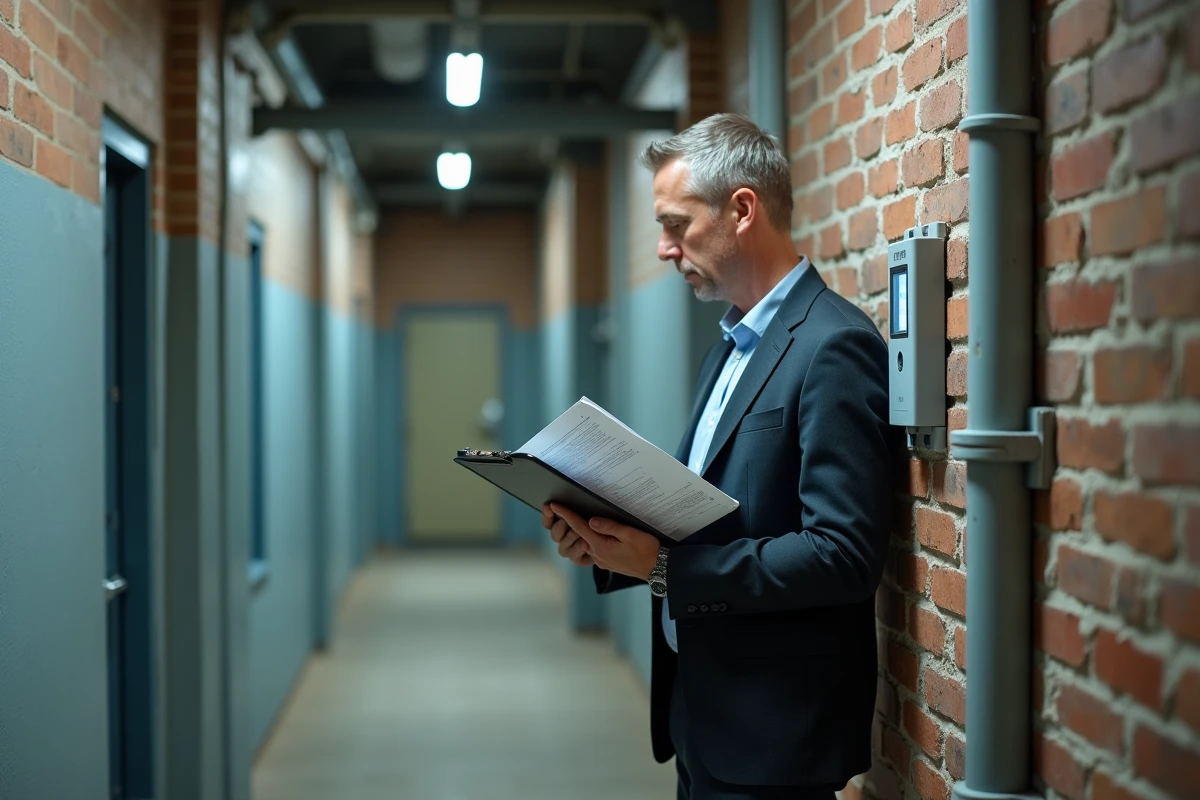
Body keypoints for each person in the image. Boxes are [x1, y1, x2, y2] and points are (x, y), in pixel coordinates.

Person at [542, 112, 897, 800]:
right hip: (702, 715)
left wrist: (663, 567)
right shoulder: (727, 350)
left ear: (742, 210)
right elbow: (705, 520)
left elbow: (844, 555)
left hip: (776, 738)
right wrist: (608, 542)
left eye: (676, 225)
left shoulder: (834, 345)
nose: (663, 249)